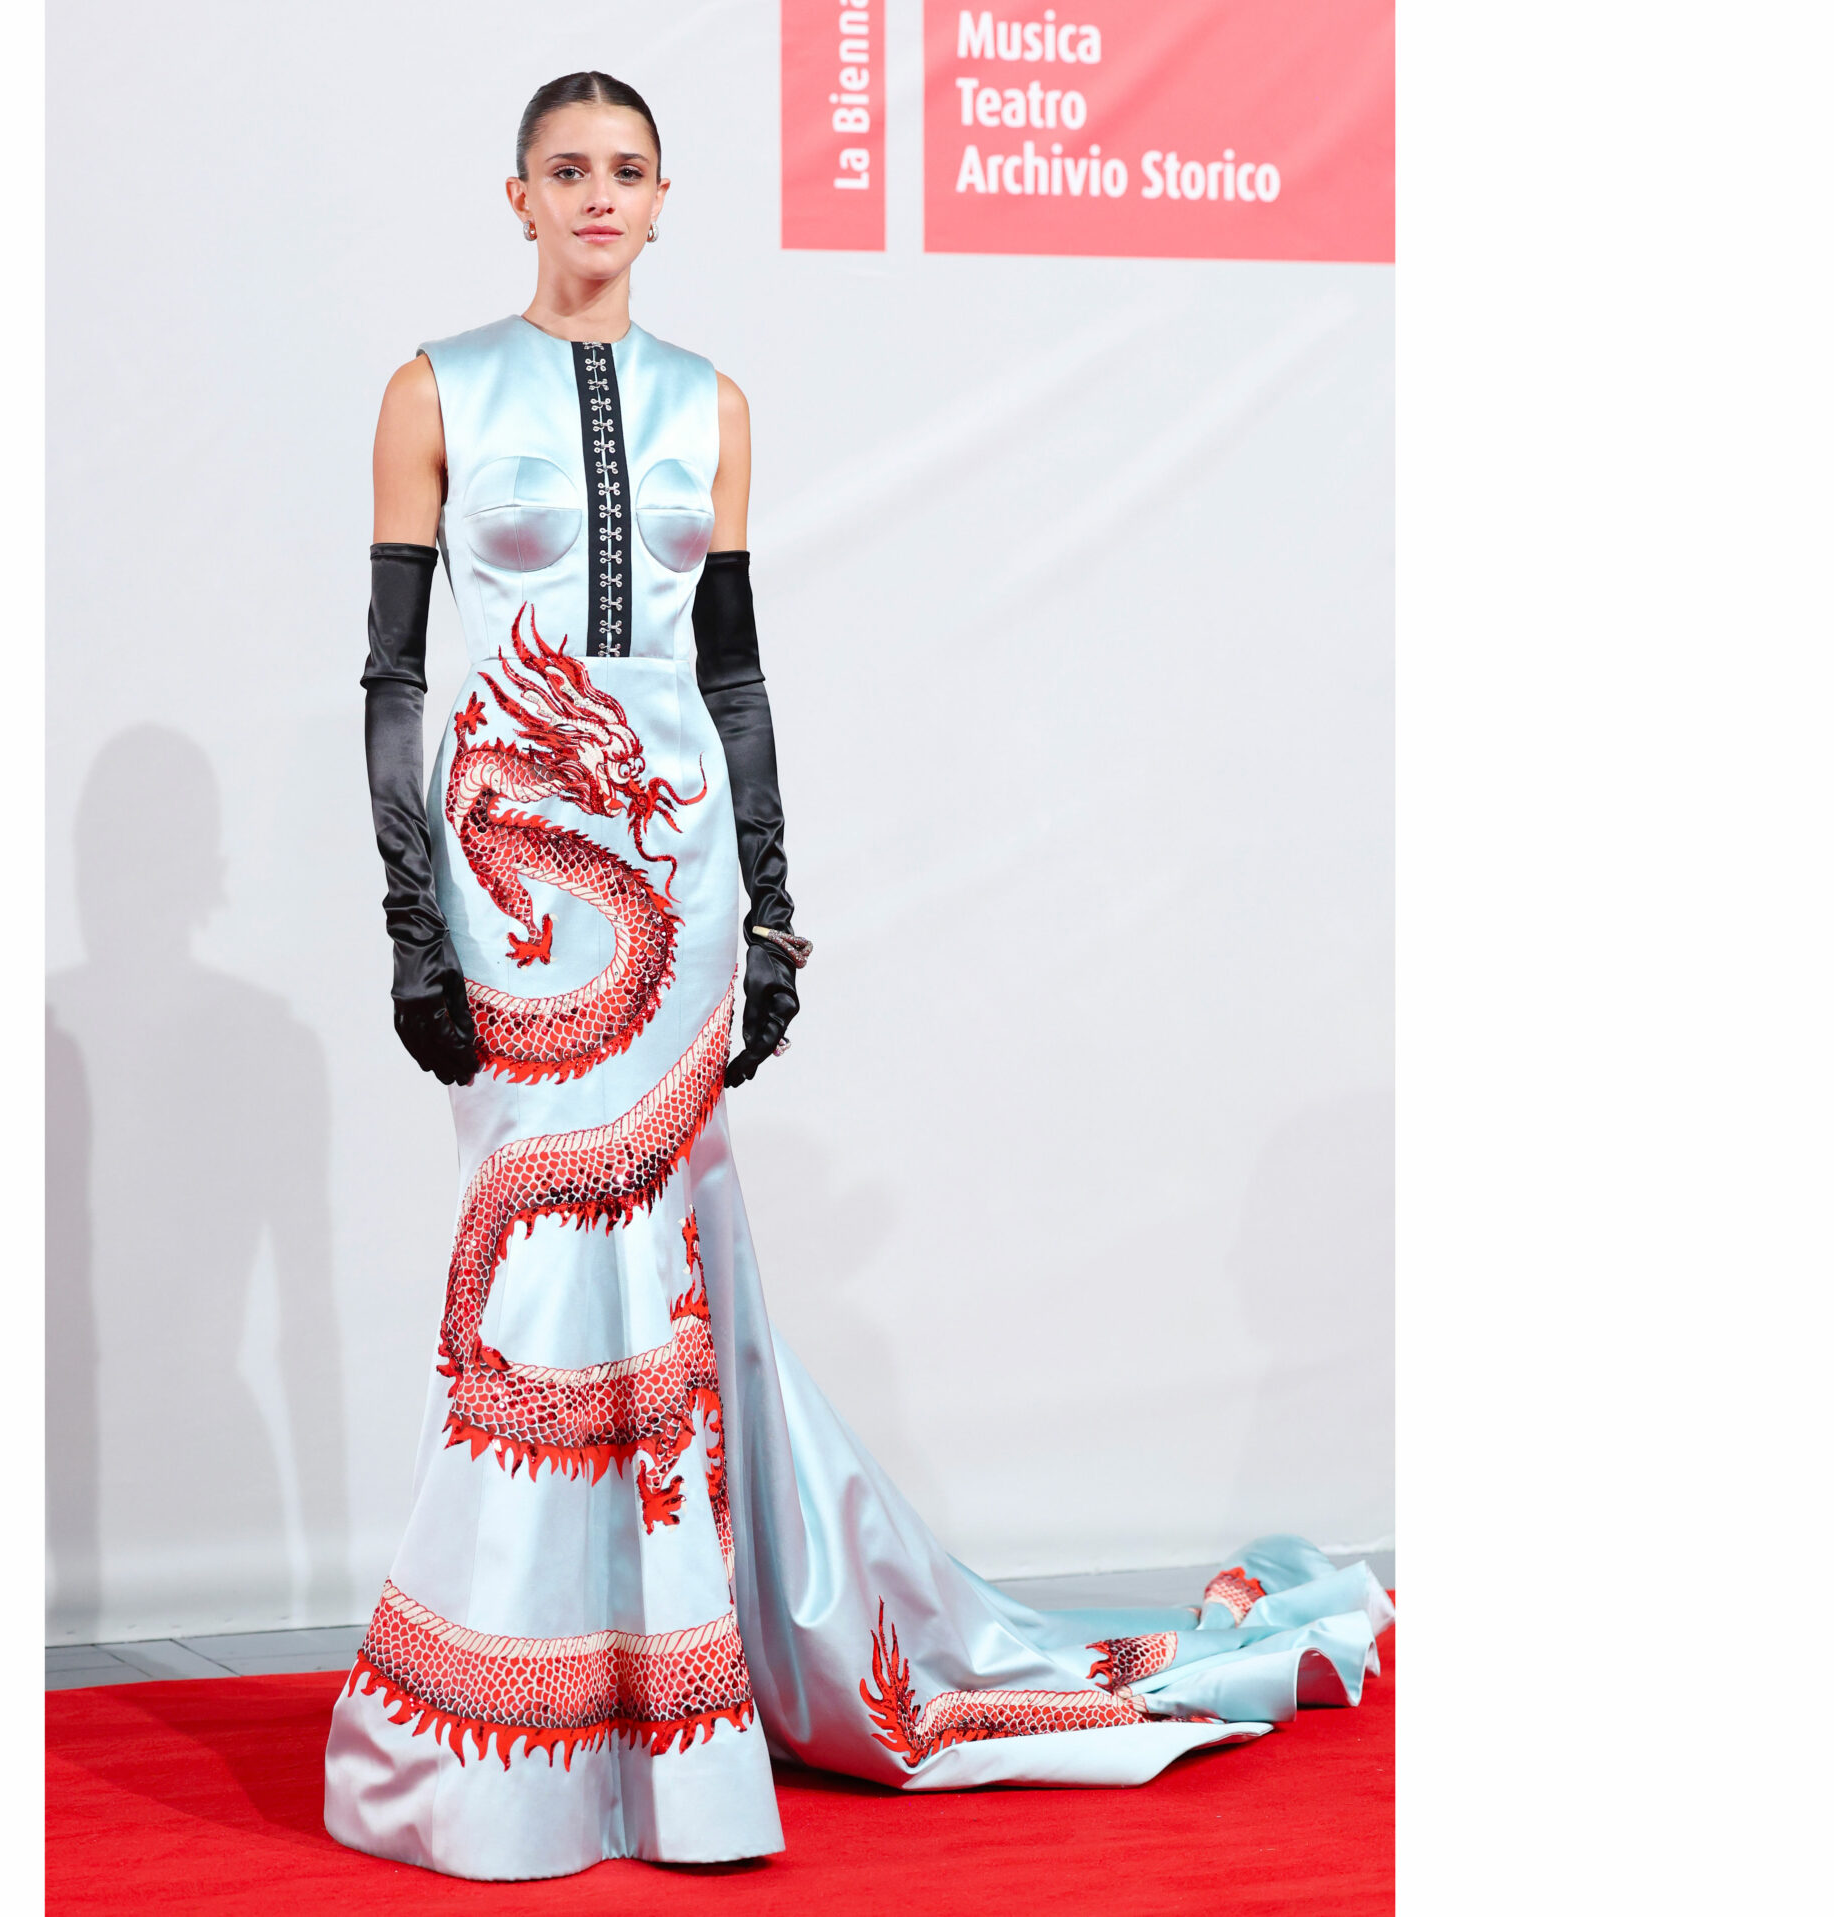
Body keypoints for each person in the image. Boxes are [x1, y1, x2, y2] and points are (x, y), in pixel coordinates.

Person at [329, 71, 1392, 1883]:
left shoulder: (714, 405)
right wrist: (412, 915)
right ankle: (526, 1721)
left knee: (661, 1258)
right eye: (567, 171)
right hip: (515, 880)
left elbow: (733, 676)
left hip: (675, 871)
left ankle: (669, 1717)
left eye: (627, 170)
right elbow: (394, 676)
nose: (598, 197)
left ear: (665, 197)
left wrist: (771, 910)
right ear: (516, 196)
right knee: (541, 1262)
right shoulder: (431, 389)